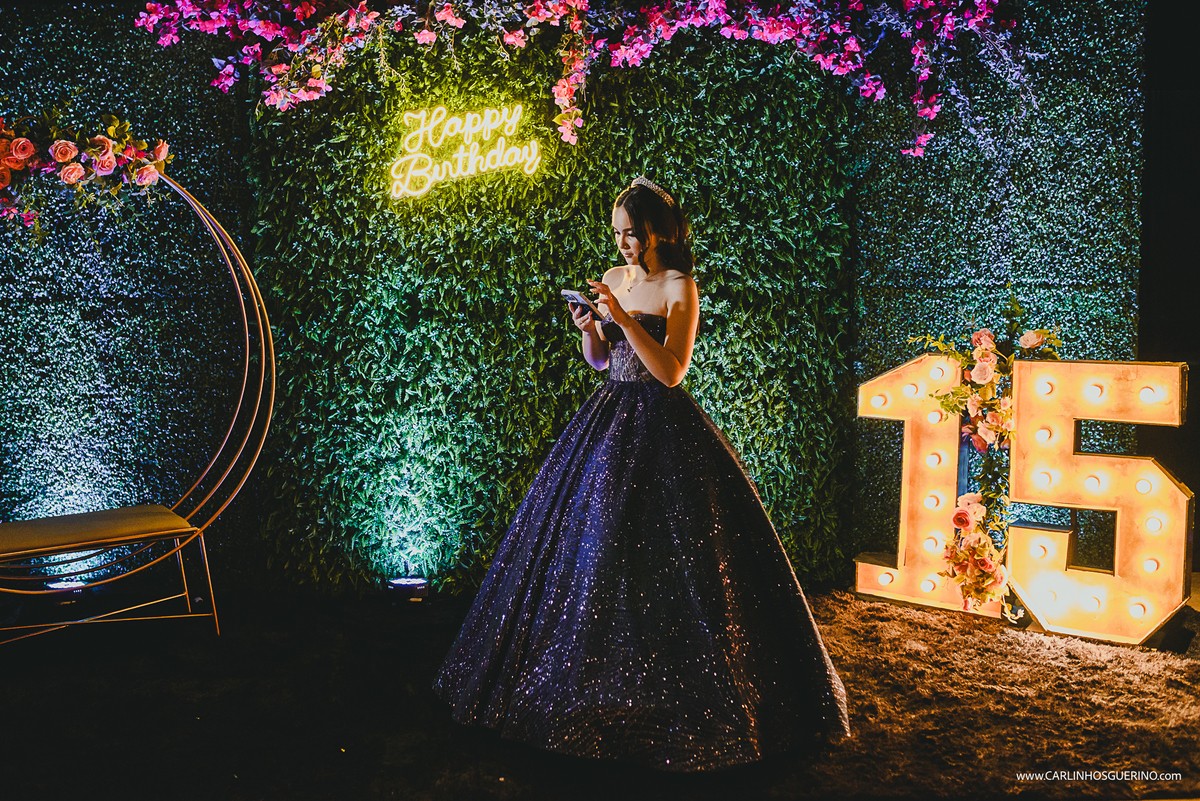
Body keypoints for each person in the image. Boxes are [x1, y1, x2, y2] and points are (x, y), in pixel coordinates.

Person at [433, 176, 850, 772]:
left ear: (659, 231)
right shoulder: (617, 276)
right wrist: (591, 332)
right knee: (597, 546)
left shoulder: (680, 286)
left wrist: (624, 319)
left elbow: (672, 372)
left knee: (676, 556)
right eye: (617, 233)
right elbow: (606, 363)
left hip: (663, 426)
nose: (623, 243)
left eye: (632, 233)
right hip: (609, 417)